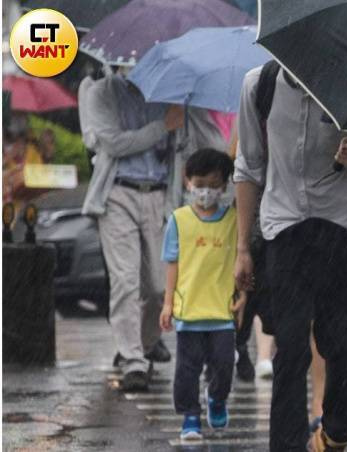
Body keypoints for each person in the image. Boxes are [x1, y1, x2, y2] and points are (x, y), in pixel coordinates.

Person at [233, 63, 347, 452]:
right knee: (291, 348)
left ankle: (337, 428)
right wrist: (242, 249)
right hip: (284, 231)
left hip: (340, 231)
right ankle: (286, 445)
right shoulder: (259, 85)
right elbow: (248, 166)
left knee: (343, 346)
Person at [82, 68, 185, 391]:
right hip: (117, 194)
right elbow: (112, 144)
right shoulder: (101, 93)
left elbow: (178, 147)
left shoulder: (170, 94)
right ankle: (134, 362)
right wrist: (160, 127)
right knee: (125, 281)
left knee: (158, 286)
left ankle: (142, 343)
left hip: (157, 195)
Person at [159, 148, 245, 441]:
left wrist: (241, 294)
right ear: (187, 182)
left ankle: (216, 399)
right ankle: (190, 416)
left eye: (213, 184)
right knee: (187, 369)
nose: (205, 191)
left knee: (224, 366)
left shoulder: (233, 220)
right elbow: (172, 262)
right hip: (189, 312)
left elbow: (240, 259)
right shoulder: (179, 220)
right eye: (200, 184)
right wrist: (168, 303)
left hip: (221, 312)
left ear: (224, 186)